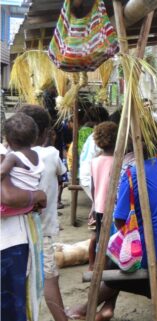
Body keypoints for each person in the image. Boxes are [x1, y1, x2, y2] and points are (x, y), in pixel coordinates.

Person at [65, 129, 157, 321]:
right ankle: (103, 307)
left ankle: (87, 308)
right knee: (120, 249)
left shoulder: (132, 173)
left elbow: (120, 220)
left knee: (117, 251)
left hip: (152, 250)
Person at [19, 105, 68, 321]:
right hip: (43, 231)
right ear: (45, 132)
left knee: (22, 279)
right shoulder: (51, 154)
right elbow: (61, 172)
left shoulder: (11, 156)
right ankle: (62, 319)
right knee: (49, 279)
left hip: (16, 232)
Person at [0, 113, 46, 321]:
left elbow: (8, 197)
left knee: (11, 301)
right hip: (14, 235)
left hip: (12, 237)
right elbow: (10, 197)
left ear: (8, 140)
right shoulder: (37, 157)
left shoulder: (10, 156)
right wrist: (38, 195)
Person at [88, 121, 118, 271]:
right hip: (113, 207)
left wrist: (93, 205)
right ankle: (107, 268)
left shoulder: (95, 161)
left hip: (99, 206)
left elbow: (93, 187)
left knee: (101, 238)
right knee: (113, 239)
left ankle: (98, 266)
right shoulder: (118, 162)